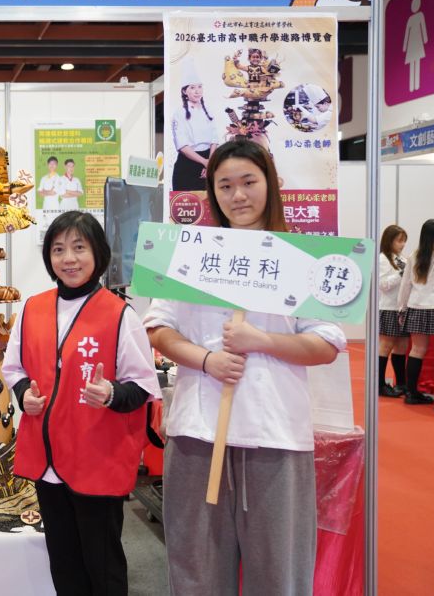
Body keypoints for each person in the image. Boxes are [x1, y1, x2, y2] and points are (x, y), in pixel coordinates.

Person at [144, 138, 345, 595]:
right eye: (225, 185)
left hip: (275, 435)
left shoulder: (302, 257)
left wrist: (263, 341)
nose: (238, 195)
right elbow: (157, 327)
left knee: (278, 573)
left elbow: (326, 343)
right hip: (198, 432)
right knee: (196, 570)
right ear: (212, 192)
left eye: (249, 182)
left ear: (270, 183)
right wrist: (207, 360)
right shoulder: (190, 253)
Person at [3, 210, 160, 595]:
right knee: (64, 561)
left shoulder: (120, 314)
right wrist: (24, 395)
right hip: (48, 459)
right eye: (58, 249)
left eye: (79, 247)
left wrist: (111, 394)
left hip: (97, 458)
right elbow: (13, 367)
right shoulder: (33, 308)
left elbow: (143, 386)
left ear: (98, 254)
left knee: (102, 563)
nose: (68, 258)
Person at [397, 219, 434, 410]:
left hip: (417, 306)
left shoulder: (415, 255)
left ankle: (411, 394)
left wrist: (401, 307)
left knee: (417, 350)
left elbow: (406, 284)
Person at [171, 63, 219, 191]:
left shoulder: (208, 110)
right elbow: (183, 146)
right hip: (188, 164)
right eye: (192, 88)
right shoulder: (179, 113)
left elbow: (214, 139)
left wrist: (210, 163)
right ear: (184, 91)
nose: (197, 91)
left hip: (209, 161)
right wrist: (204, 162)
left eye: (199, 87)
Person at [379, 224, 410, 397]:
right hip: (389, 307)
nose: (403, 244)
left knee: (402, 347)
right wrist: (401, 274)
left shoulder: (403, 259)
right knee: (386, 346)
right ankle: (379, 384)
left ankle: (401, 384)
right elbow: (383, 285)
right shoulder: (383, 259)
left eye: (404, 240)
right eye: (399, 240)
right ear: (389, 240)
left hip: (402, 308)